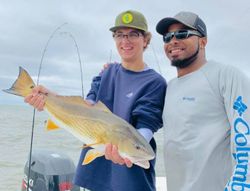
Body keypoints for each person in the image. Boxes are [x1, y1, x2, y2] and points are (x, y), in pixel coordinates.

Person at [25, 10, 166, 191]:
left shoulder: (155, 83)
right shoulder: (106, 73)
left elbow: (146, 125)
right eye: (119, 35)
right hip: (93, 176)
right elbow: (87, 107)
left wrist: (129, 152)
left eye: (133, 34)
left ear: (145, 40)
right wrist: (48, 97)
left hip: (130, 178)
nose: (125, 40)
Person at [155, 11, 250, 191]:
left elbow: (245, 137)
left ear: (203, 41)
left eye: (183, 34)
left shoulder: (226, 76)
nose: (173, 41)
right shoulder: (169, 88)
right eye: (167, 37)